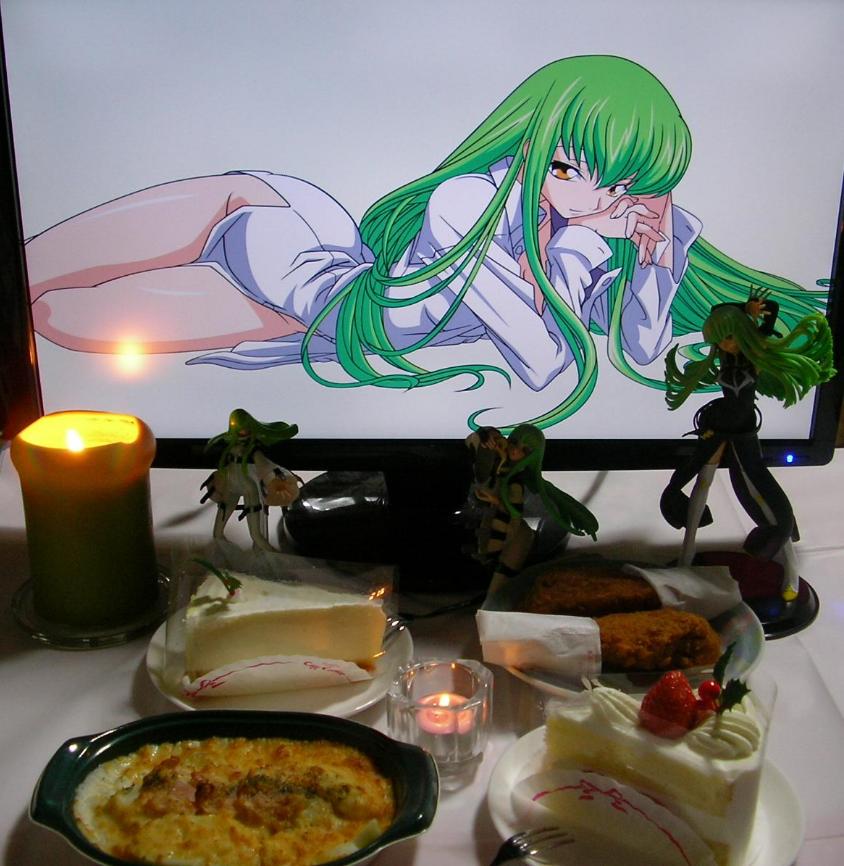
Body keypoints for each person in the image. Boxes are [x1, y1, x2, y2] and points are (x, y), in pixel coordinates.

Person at [27, 56, 828, 431]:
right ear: (539, 143)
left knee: (61, 318)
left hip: (306, 319)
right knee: (28, 287)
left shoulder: (569, 236)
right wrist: (589, 239)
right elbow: (543, 360)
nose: (604, 200)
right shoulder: (466, 204)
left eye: (623, 186)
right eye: (578, 170)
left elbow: (639, 346)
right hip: (283, 240)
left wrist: (661, 255)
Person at [660, 295, 835, 596]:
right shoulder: (726, 359)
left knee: (762, 495)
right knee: (693, 480)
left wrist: (749, 311)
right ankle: (686, 559)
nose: (724, 345)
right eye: (719, 340)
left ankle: (790, 573)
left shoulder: (753, 357)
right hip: (718, 427)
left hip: (742, 433)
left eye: (728, 337)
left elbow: (769, 315)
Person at [467, 424, 598, 588]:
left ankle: (497, 596)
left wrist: (495, 501)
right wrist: (486, 435)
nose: (515, 450)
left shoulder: (516, 483)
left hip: (512, 532)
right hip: (498, 526)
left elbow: (514, 512)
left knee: (502, 576)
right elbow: (472, 442)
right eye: (515, 443)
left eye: (524, 450)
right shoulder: (498, 463)